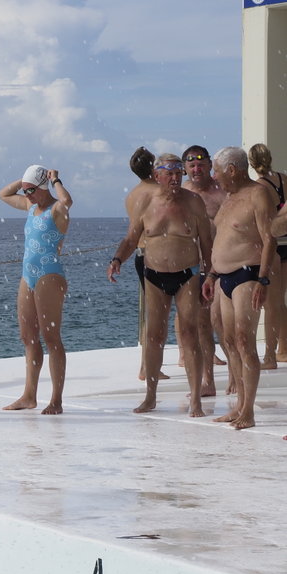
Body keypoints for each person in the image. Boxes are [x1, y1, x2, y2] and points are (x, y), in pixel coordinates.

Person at [109, 154, 212, 417]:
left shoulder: (193, 202)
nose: (176, 178)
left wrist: (210, 276)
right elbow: (132, 238)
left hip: (187, 274)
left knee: (189, 335)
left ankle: (196, 401)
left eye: (179, 173)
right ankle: (150, 397)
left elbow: (207, 244)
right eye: (170, 173)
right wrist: (118, 258)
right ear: (157, 175)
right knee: (154, 336)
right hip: (154, 274)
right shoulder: (145, 202)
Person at [202, 146, 276, 430]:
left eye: (217, 171)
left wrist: (264, 279)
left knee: (245, 342)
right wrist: (210, 275)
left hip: (248, 274)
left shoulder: (258, 194)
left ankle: (249, 410)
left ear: (232, 170)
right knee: (229, 341)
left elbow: (268, 239)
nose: (215, 177)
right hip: (222, 277)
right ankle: (239, 403)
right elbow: (222, 238)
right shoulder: (229, 198)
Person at [0, 165, 73, 414]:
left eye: (31, 190)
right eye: (25, 190)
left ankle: (56, 400)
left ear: (43, 188)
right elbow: (3, 195)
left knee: (51, 339)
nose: (26, 194)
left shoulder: (57, 210)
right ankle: (29, 395)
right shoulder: (31, 207)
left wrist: (55, 180)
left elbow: (67, 200)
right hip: (27, 276)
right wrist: (24, 180)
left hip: (49, 276)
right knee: (28, 337)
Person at [182, 144, 228, 393]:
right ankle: (207, 380)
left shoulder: (223, 193)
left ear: (210, 165)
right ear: (185, 168)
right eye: (191, 164)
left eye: (201, 164)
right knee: (201, 325)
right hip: (193, 268)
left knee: (224, 324)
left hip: (222, 267)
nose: (197, 168)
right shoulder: (182, 193)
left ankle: (235, 374)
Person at [125, 147, 170, 383]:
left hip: (140, 256)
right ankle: (151, 367)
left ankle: (146, 364)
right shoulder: (157, 192)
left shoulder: (132, 195)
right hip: (158, 256)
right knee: (158, 317)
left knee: (150, 316)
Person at [248, 143, 287, 365]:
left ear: (252, 163)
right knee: (280, 301)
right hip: (286, 240)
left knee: (271, 303)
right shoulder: (283, 178)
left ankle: (270, 355)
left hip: (272, 245)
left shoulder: (258, 187)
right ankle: (283, 347)